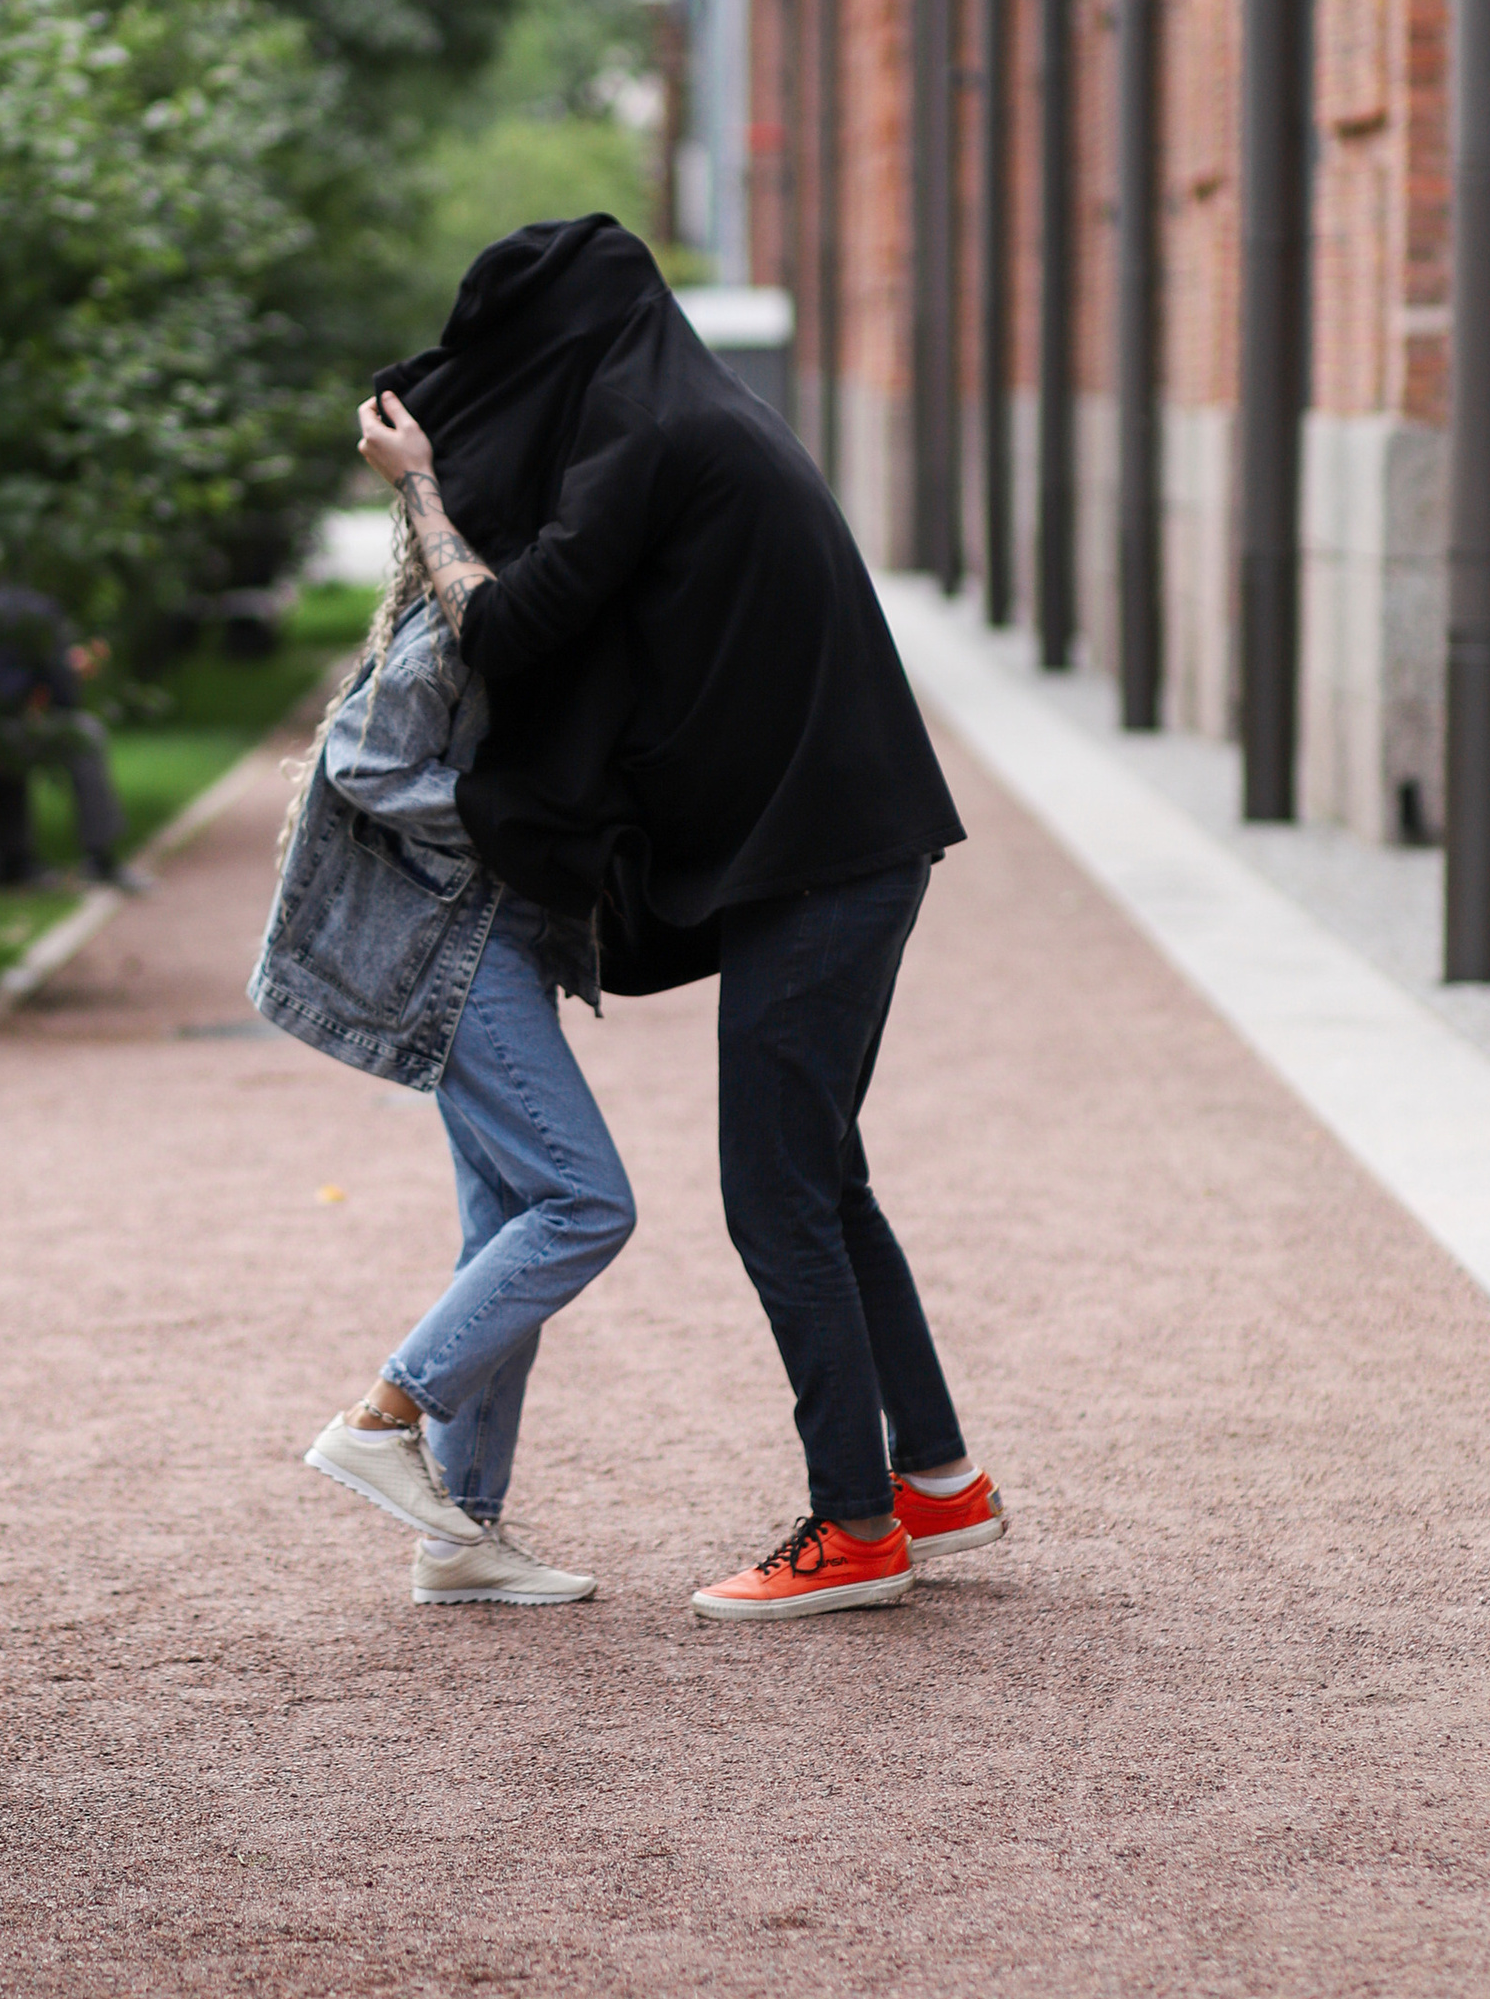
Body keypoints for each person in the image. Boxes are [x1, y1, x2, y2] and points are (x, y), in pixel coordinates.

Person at [360, 212, 1004, 1622]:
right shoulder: (691, 409)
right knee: (823, 1176)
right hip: (845, 846)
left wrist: (421, 490)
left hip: (820, 863)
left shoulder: (648, 439)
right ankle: (936, 1480)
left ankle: (855, 1527)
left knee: (776, 1195)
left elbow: (509, 625)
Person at [252, 503, 633, 1607]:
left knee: (501, 1232)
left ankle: (463, 1534)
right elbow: (362, 758)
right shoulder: (449, 632)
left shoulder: (520, 628)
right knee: (583, 1204)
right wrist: (498, 821)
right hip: (459, 958)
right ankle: (384, 1416)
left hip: (500, 942)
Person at [0, 582, 141, 890]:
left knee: (9, 748)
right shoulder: (39, 611)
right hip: (6, 731)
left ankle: (11, 861)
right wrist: (74, 672)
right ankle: (101, 856)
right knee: (85, 734)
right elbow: (62, 692)